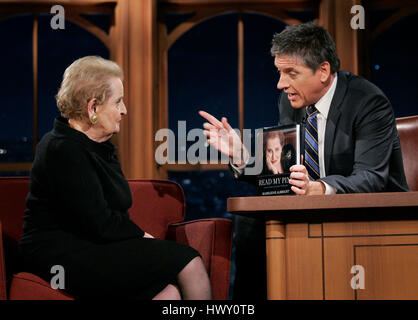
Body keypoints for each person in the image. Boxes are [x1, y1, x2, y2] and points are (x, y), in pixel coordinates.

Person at [200, 22, 409, 299]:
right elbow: (283, 173)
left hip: (369, 212)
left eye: (291, 73)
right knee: (250, 224)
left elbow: (371, 177)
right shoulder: (290, 102)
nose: (280, 83)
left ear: (323, 71)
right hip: (313, 210)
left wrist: (319, 189)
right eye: (279, 72)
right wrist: (243, 155)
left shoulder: (368, 102)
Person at [18, 56, 212, 300]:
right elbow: (98, 221)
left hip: (94, 244)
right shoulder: (62, 148)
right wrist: (141, 236)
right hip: (60, 254)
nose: (124, 110)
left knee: (169, 293)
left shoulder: (99, 146)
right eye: (118, 101)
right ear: (93, 108)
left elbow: (111, 217)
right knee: (190, 262)